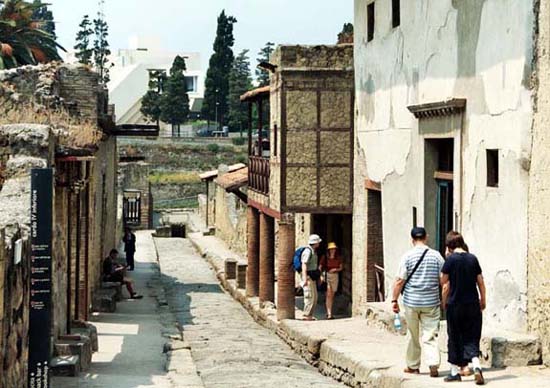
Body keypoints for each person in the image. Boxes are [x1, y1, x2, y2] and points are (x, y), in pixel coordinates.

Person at [391, 227, 444, 378]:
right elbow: (443, 280)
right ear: (426, 237)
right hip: (431, 302)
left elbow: (400, 280)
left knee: (413, 334)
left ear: (412, 239)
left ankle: (413, 366)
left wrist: (394, 300)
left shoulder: (407, 256)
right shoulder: (436, 256)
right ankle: (433, 363)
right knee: (430, 334)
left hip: (411, 302)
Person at [441, 231, 486, 385]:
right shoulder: (473, 258)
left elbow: (444, 283)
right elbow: (480, 282)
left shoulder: (450, 260)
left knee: (454, 337)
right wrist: (483, 300)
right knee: (472, 336)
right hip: (472, 304)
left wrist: (443, 302)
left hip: (455, 305)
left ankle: (454, 372)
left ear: (449, 246)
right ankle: (477, 367)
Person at [301, 234, 322, 321]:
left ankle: (309, 314)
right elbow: (304, 264)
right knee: (310, 296)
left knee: (315, 297)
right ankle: (306, 315)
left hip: (312, 276)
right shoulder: (308, 252)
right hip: (309, 277)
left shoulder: (313, 251)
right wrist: (305, 277)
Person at [320, 242, 343, 319]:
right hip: (327, 276)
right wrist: (320, 275)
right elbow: (320, 266)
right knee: (329, 294)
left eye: (334, 249)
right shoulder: (325, 257)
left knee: (332, 295)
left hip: (335, 276)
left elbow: (341, 267)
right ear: (328, 250)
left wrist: (335, 269)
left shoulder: (338, 257)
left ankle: (329, 312)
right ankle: (329, 313)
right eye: (331, 249)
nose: (332, 250)